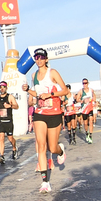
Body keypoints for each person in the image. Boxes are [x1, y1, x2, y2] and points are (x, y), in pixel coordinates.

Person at [27, 48, 67, 192]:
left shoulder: (53, 73)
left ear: (46, 59)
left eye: (41, 57)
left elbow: (65, 90)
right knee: (41, 145)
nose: (38, 60)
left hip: (54, 113)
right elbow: (36, 93)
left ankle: (60, 151)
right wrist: (28, 91)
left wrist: (50, 94)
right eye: (36, 57)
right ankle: (45, 182)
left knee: (52, 147)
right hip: (40, 113)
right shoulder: (34, 75)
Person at [0, 80, 19, 164]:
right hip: (1, 121)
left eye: (3, 87)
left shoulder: (10, 97)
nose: (2, 89)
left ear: (6, 88)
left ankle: (14, 148)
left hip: (8, 121)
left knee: (10, 138)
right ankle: (2, 156)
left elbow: (16, 106)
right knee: (1, 138)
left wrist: (10, 106)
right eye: (0, 87)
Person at [78, 78, 96, 143]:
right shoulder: (81, 91)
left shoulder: (91, 90)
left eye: (85, 83)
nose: (84, 84)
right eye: (83, 83)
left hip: (90, 108)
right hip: (84, 109)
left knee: (91, 121)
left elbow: (94, 97)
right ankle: (86, 133)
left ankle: (91, 135)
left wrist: (93, 100)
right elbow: (77, 99)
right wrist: (82, 101)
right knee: (85, 123)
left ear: (88, 83)